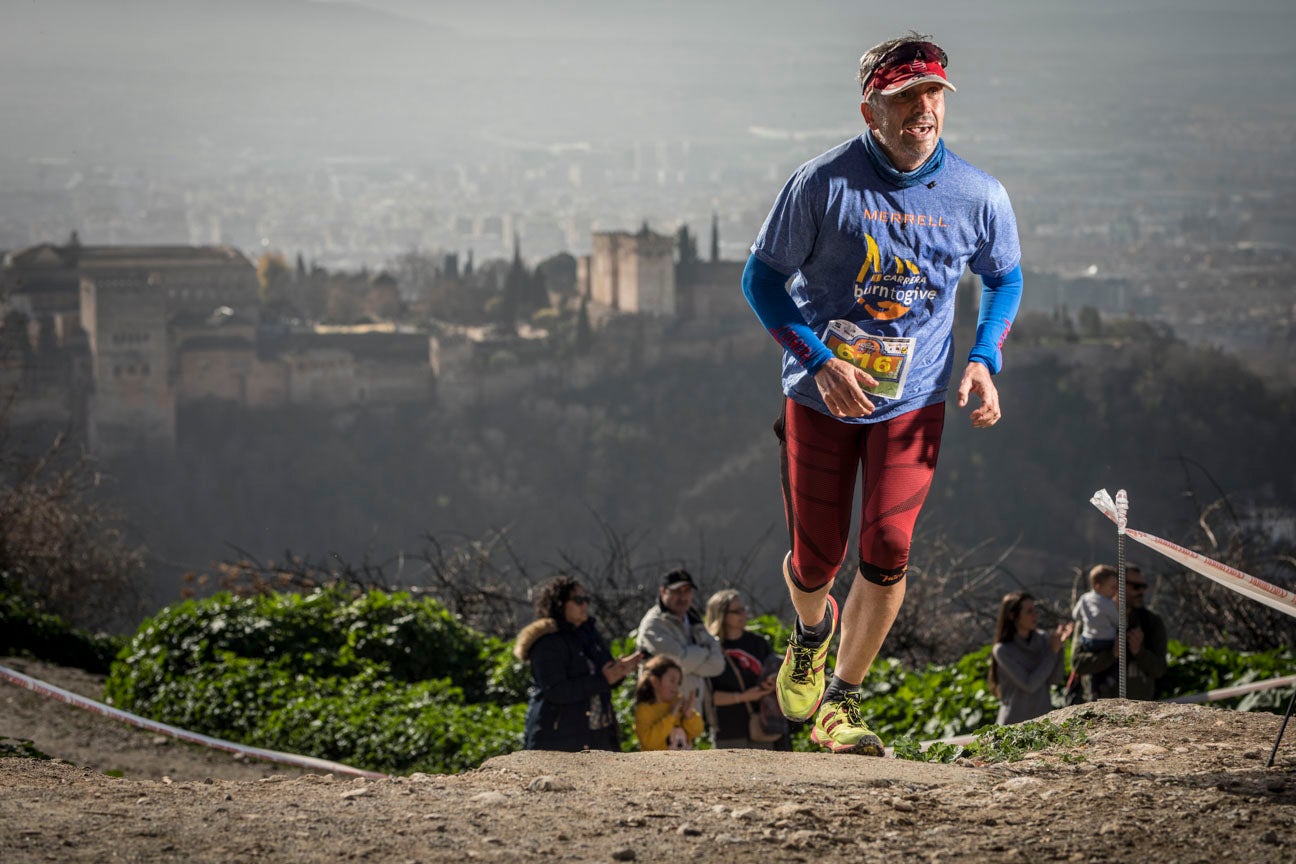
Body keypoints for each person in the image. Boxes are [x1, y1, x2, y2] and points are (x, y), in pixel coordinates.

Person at [742, 31, 1023, 754]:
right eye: (904, 97)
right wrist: (819, 361)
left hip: (914, 400)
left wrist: (984, 358)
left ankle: (842, 700)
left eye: (933, 93)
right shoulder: (822, 183)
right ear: (872, 109)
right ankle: (811, 633)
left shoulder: (977, 194)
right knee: (816, 560)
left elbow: (1004, 276)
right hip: (820, 397)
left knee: (890, 545)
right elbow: (762, 281)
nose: (922, 109)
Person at [515, 575, 642, 752]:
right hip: (558, 739)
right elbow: (556, 690)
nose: (585, 605)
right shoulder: (547, 642)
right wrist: (603, 679)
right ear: (560, 603)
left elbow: (603, 675)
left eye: (586, 600)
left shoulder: (588, 634)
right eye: (578, 600)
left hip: (599, 735)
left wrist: (618, 672)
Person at [635, 569, 725, 730]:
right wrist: (704, 651)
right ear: (663, 591)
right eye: (677, 591)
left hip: (691, 710)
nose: (683, 597)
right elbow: (680, 662)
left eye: (687, 591)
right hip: (660, 713)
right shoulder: (653, 624)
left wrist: (691, 657)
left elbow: (718, 665)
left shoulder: (693, 619)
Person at [1071, 565, 1168, 701]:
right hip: (1096, 708)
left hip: (1138, 710)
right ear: (1117, 587)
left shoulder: (1151, 622)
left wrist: (1139, 652)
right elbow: (1077, 664)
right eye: (1135, 586)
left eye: (1143, 586)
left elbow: (1159, 669)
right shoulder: (1091, 618)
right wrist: (1111, 654)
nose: (1141, 591)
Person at [703, 589, 782, 749]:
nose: (743, 614)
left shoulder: (758, 643)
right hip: (728, 730)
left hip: (764, 725)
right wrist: (743, 697)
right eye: (736, 611)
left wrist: (772, 681)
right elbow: (709, 696)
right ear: (722, 615)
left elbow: (775, 671)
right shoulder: (710, 647)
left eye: (743, 609)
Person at [988, 591, 1072, 724]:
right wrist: (1052, 652)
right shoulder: (1002, 650)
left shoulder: (1043, 639)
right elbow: (1029, 684)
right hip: (1013, 726)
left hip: (1043, 722)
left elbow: (1055, 679)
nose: (1035, 615)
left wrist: (1059, 648)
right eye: (1029, 611)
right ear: (1012, 616)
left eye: (1035, 610)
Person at [634, 655, 706, 751]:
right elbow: (649, 742)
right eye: (672, 681)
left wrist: (689, 715)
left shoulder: (679, 705)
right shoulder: (644, 710)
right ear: (654, 681)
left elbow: (697, 732)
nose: (676, 688)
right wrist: (671, 716)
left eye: (678, 683)